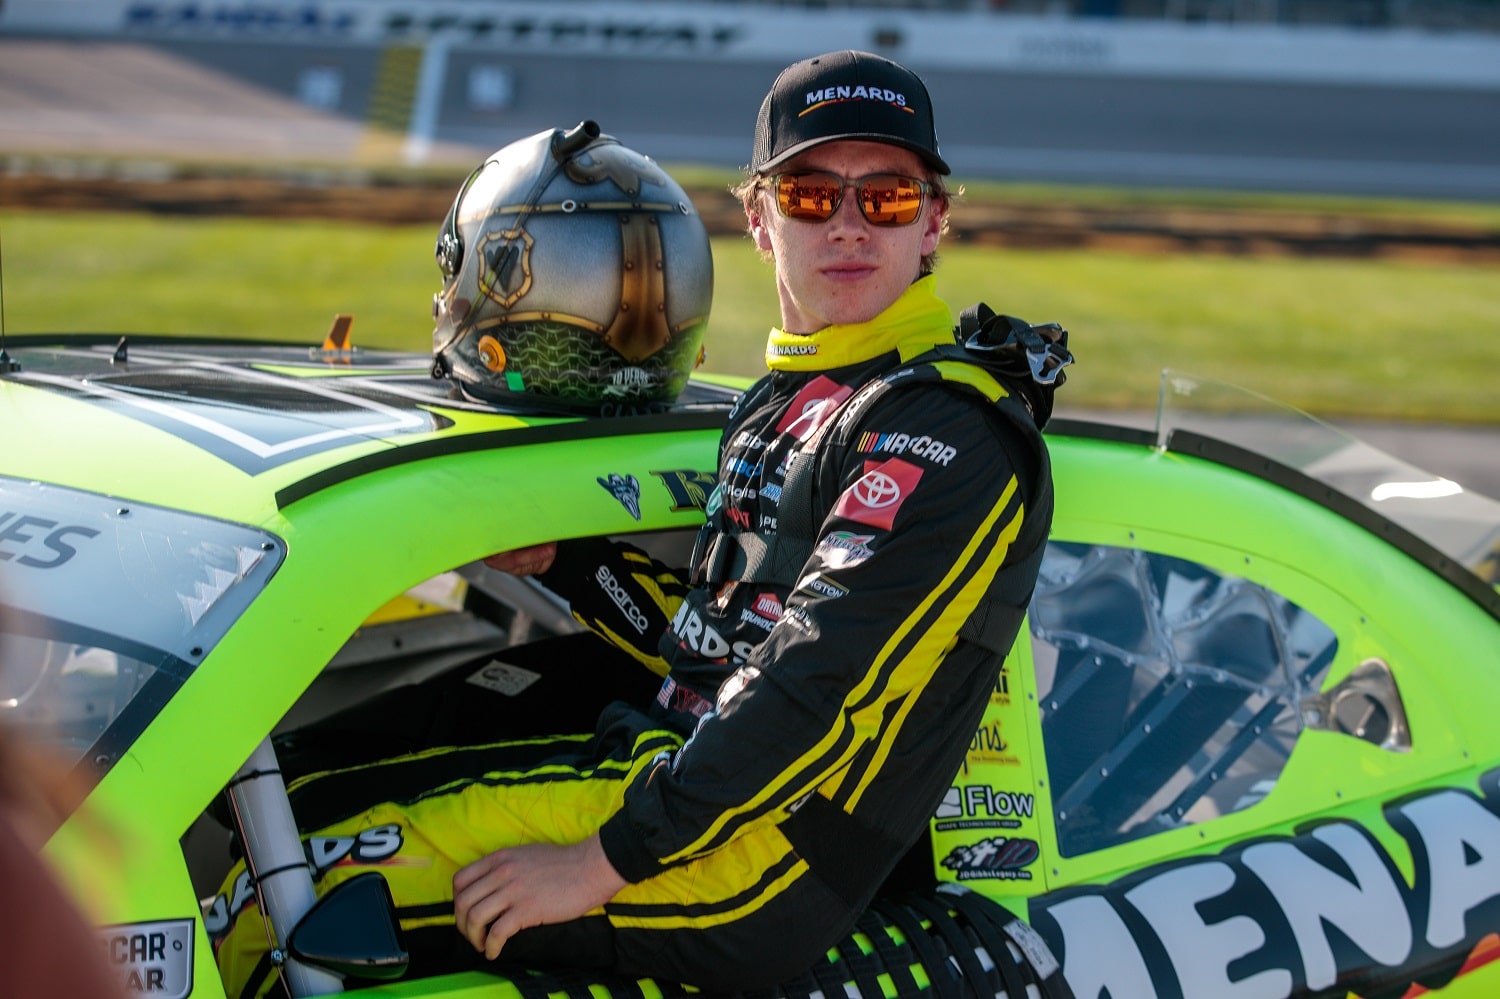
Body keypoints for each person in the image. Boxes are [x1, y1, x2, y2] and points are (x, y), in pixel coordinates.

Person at [211, 50, 1069, 997]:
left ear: (936, 222)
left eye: (891, 198)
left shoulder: (948, 425)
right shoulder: (788, 396)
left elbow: (810, 692)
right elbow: (715, 638)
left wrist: (598, 862)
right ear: (759, 216)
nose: (852, 224)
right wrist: (570, 564)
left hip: (745, 864)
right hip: (675, 781)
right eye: (815, 195)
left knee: (270, 893)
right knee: (292, 802)